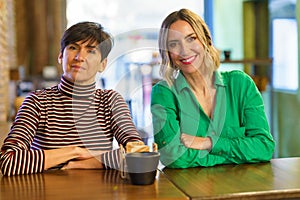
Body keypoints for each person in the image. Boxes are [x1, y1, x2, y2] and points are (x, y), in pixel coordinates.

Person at [0, 22, 142, 176]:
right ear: (61, 56)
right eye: (73, 48)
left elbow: (139, 154)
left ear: (103, 64)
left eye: (91, 51)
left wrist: (84, 164)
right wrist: (75, 152)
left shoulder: (110, 101)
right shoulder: (37, 102)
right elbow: (8, 161)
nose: (80, 57)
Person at [151, 9, 275, 168]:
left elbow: (264, 147)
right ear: (167, 53)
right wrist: (233, 154)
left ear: (206, 41)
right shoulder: (163, 93)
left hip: (243, 188)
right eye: (174, 44)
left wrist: (208, 142)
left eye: (191, 39)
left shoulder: (241, 84)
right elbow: (172, 156)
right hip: (190, 190)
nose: (184, 50)